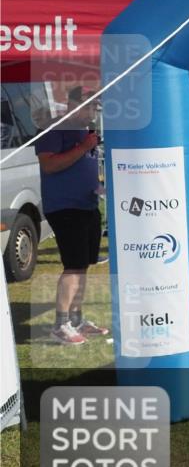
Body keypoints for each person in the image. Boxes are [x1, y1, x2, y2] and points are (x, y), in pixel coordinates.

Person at [35, 86, 109, 344]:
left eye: (95, 107)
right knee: (74, 266)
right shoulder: (56, 128)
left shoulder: (84, 131)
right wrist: (84, 146)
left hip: (88, 205)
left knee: (83, 266)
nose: (92, 112)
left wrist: (99, 187)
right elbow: (49, 164)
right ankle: (60, 324)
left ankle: (76, 318)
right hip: (65, 208)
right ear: (72, 104)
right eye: (88, 106)